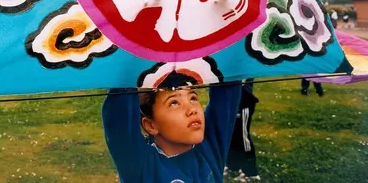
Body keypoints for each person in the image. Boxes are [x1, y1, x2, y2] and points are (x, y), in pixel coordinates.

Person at [102, 74, 241, 183]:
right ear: (151, 125)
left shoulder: (210, 148)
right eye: (174, 103)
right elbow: (119, 111)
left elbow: (228, 83)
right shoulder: (140, 165)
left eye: (192, 98)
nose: (191, 110)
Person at [226, 79, 260, 181]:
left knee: (243, 136)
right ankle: (233, 166)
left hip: (244, 102)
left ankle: (250, 172)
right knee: (232, 135)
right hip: (233, 100)